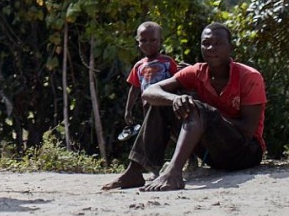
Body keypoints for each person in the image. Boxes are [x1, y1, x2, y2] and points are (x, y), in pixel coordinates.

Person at [106, 22, 265, 192]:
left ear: (230, 47)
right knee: (165, 102)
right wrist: (175, 99)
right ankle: (135, 171)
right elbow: (149, 92)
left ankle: (173, 172)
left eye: (218, 43)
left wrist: (207, 115)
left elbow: (248, 130)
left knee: (196, 108)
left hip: (245, 153)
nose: (211, 48)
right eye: (206, 43)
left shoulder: (249, 77)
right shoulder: (196, 72)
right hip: (211, 154)